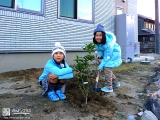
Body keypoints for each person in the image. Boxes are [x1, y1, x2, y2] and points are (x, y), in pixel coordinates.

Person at [93, 24, 122, 92]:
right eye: (96, 35)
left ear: (103, 36)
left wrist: (100, 66)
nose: (98, 37)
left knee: (106, 67)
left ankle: (109, 87)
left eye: (100, 35)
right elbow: (103, 50)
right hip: (109, 55)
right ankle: (116, 83)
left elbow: (107, 57)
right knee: (107, 69)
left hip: (115, 55)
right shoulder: (100, 43)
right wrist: (100, 57)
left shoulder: (108, 44)